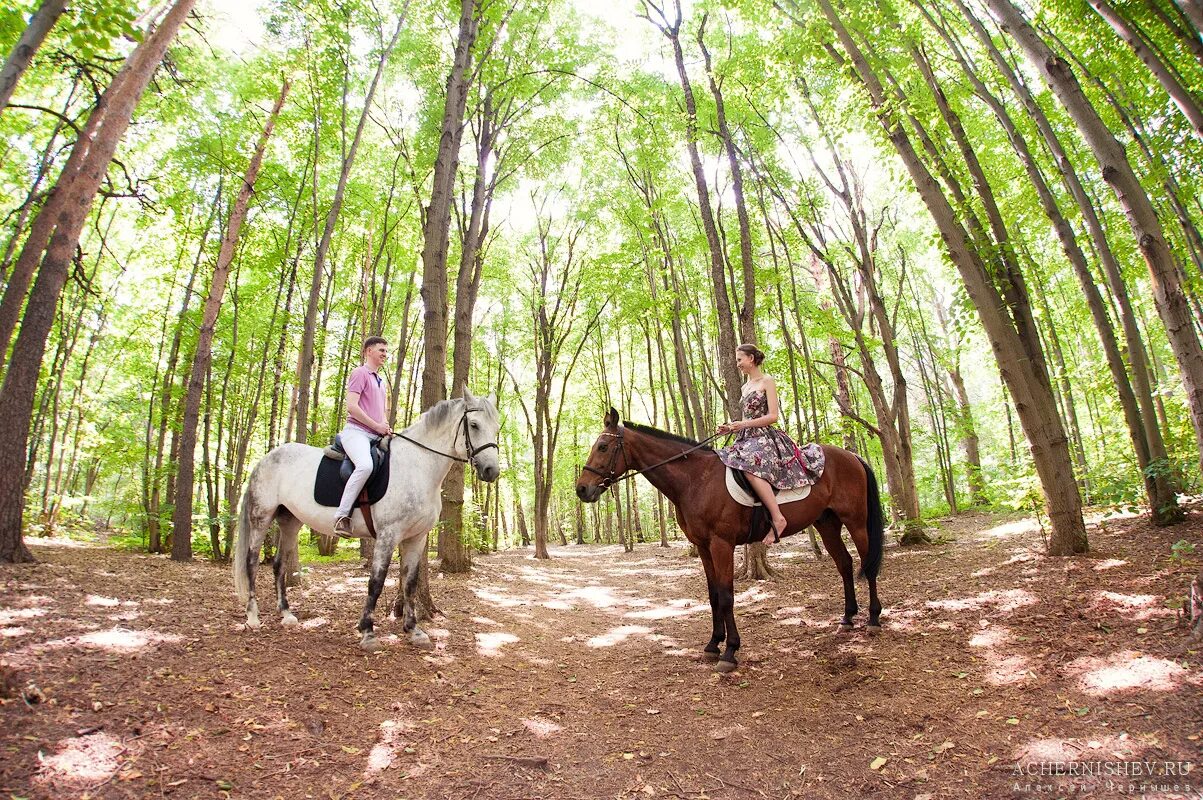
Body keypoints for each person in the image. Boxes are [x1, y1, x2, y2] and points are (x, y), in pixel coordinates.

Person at [716, 344, 816, 545]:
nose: (738, 364)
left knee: (751, 467)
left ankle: (778, 518)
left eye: (739, 359)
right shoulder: (745, 387)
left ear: (751, 359)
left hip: (764, 438)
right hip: (745, 436)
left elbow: (773, 416)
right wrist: (730, 427)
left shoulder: (767, 381)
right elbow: (746, 417)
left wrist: (742, 424)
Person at [333, 336, 393, 535]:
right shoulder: (360, 373)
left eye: (386, 351)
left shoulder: (381, 381)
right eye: (381, 350)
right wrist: (376, 425)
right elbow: (352, 406)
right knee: (365, 465)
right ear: (368, 351)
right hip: (356, 433)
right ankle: (342, 516)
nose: (385, 354)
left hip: (375, 435)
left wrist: (385, 426)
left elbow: (380, 412)